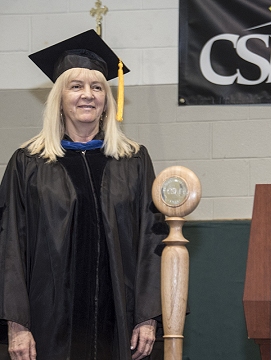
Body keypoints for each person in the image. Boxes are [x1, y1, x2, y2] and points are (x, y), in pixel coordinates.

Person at [0, 30, 166, 359]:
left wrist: (147, 317)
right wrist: (17, 324)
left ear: (107, 99)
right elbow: (9, 246)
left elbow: (152, 238)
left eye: (97, 87)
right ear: (59, 98)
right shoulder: (28, 163)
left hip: (119, 320)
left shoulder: (133, 160)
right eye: (76, 86)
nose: (87, 95)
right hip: (49, 321)